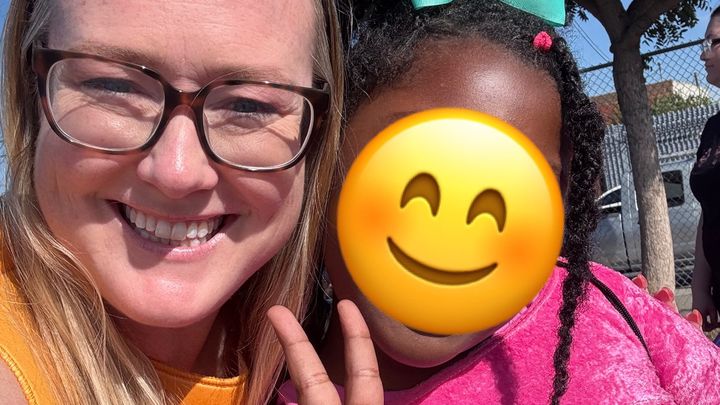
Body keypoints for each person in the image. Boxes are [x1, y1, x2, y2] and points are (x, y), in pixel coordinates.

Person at [277, 1, 720, 403]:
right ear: (326, 150)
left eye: (522, 188)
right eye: (414, 162)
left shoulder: (604, 306)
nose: (456, 236)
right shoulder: (256, 379)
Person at [0, 0, 351, 404]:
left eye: (248, 105)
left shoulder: (317, 349)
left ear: (315, 133)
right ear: (34, 90)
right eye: (113, 86)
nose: (177, 173)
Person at [693, 5, 720, 332]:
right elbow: (708, 210)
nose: (703, 55)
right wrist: (700, 289)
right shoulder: (713, 128)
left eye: (712, 43)